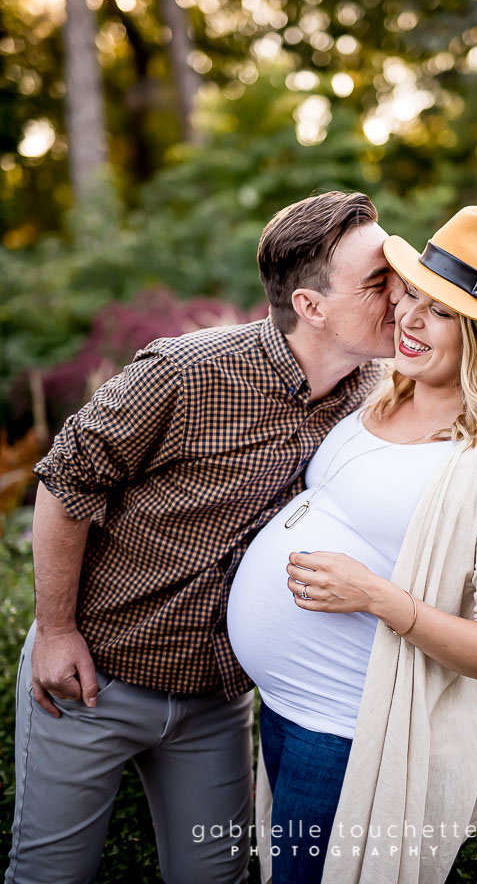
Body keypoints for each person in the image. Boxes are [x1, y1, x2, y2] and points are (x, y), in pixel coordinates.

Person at [5, 190, 405, 884]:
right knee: (51, 876)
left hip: (217, 699)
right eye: (378, 282)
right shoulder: (185, 373)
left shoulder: (377, 398)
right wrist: (57, 629)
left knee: (215, 879)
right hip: (94, 676)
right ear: (310, 306)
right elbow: (66, 480)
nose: (401, 296)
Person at [227, 205, 477, 884]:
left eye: (440, 311)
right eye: (410, 293)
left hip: (351, 736)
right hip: (284, 713)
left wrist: (380, 599)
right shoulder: (376, 394)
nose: (407, 317)